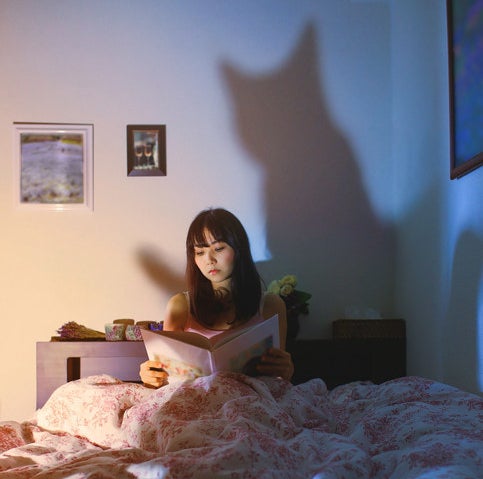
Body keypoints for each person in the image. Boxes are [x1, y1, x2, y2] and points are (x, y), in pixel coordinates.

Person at [140, 207, 294, 388]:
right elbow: (166, 378)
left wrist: (286, 370)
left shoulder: (270, 305)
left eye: (218, 248)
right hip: (196, 404)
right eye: (200, 252)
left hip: (251, 403)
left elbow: (279, 377)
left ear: (239, 249)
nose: (209, 259)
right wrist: (151, 376)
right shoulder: (180, 306)